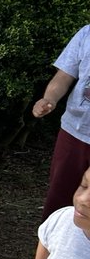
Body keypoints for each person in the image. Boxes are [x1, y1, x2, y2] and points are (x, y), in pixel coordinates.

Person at [34, 24, 90, 219]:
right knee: (59, 199)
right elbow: (64, 76)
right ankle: (50, 247)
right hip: (73, 131)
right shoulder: (86, 33)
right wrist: (49, 99)